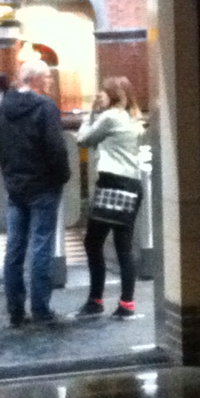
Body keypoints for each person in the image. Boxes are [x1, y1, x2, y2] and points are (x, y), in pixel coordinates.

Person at [0, 59, 70, 327]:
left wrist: (11, 176)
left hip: (16, 188)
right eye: (47, 77)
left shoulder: (2, 106)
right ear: (34, 80)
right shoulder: (45, 107)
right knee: (41, 246)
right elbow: (55, 148)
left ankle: (15, 309)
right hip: (43, 186)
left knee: (14, 248)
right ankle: (41, 309)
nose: (50, 82)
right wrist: (61, 177)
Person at [75, 76, 145, 319]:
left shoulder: (110, 116)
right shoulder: (131, 117)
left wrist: (88, 117)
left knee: (92, 242)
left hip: (113, 184)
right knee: (123, 245)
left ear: (113, 95)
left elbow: (83, 140)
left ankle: (95, 301)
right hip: (132, 185)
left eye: (102, 93)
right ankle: (126, 304)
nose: (98, 96)